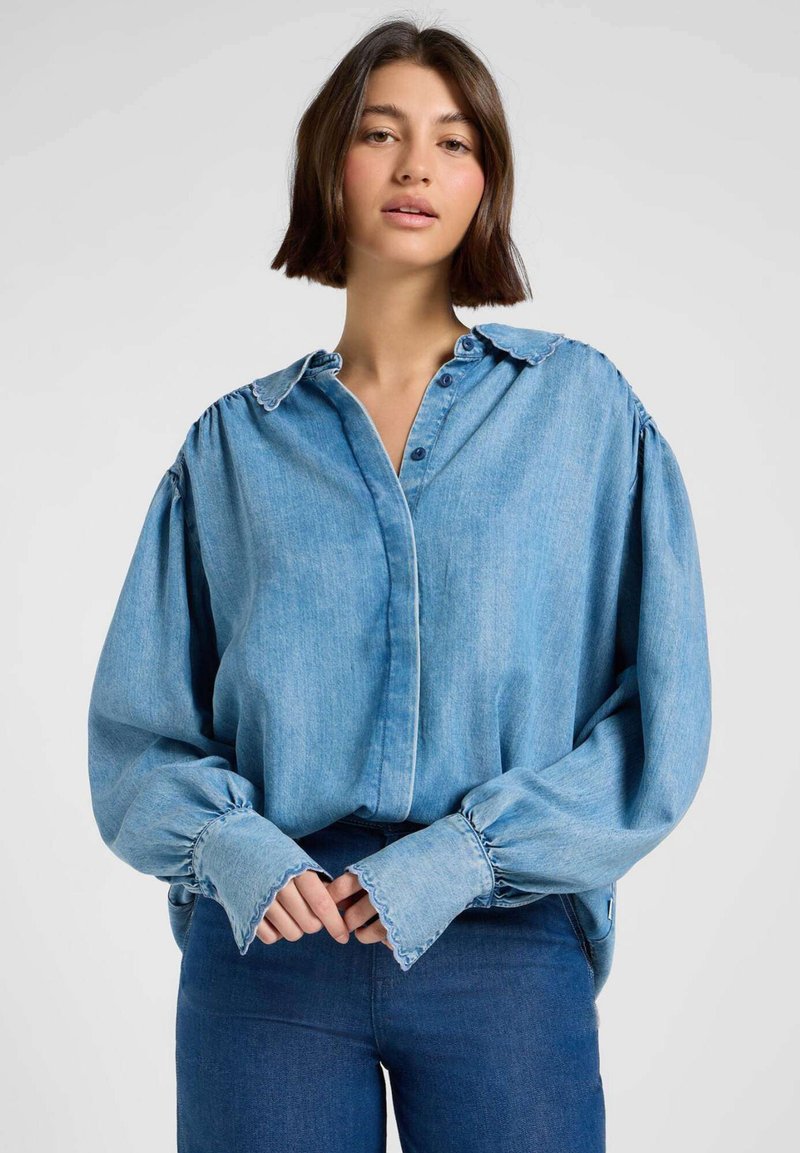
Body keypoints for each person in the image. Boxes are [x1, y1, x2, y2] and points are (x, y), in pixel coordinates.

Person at [87, 17, 712, 1153]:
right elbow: (139, 737)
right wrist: (235, 848)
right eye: (381, 134)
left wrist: (464, 853)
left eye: (453, 141)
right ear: (330, 164)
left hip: (504, 940)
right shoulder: (231, 449)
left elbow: (656, 724)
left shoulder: (582, 413)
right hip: (270, 948)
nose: (417, 166)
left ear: (487, 182)